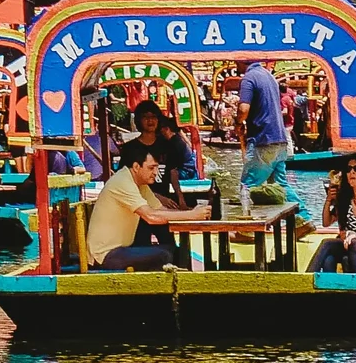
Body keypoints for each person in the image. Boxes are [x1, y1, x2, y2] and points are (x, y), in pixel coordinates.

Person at [85, 140, 210, 271]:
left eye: (156, 167)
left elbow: (160, 210)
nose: (156, 172)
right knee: (164, 256)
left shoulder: (140, 184)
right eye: (151, 168)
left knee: (177, 251)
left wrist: (191, 213)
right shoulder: (122, 182)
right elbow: (151, 216)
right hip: (104, 255)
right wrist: (192, 215)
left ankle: (186, 288)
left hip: (120, 249)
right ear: (136, 167)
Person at [236, 58, 291, 198]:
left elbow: (243, 109)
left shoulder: (249, 78)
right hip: (279, 138)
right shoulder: (269, 76)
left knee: (248, 186)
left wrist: (238, 122)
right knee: (281, 187)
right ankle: (304, 218)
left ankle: (246, 217)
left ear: (241, 61)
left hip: (263, 139)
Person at [128, 100, 194, 202]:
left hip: (165, 201)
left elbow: (173, 172)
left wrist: (181, 200)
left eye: (153, 117)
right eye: (146, 117)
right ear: (138, 121)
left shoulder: (168, 146)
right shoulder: (130, 148)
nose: (150, 121)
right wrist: (156, 197)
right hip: (141, 203)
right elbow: (129, 182)